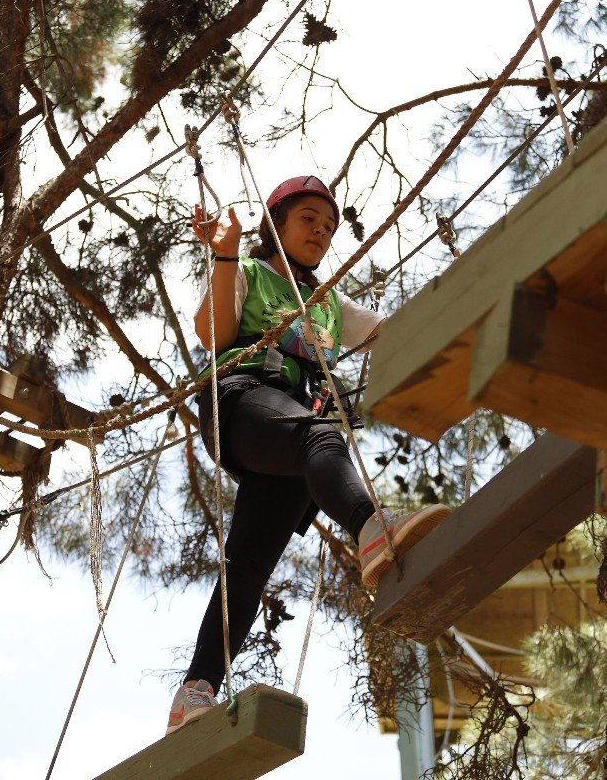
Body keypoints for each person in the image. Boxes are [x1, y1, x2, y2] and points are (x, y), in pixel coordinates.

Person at [165, 176, 450, 734]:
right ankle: (371, 527)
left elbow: (397, 334)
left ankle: (194, 692)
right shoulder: (249, 272)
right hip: (242, 404)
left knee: (247, 567)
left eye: (329, 225)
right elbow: (214, 332)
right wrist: (224, 254)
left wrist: (458, 296)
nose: (321, 230)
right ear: (275, 225)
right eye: (307, 219)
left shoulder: (330, 305)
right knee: (321, 437)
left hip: (291, 433)